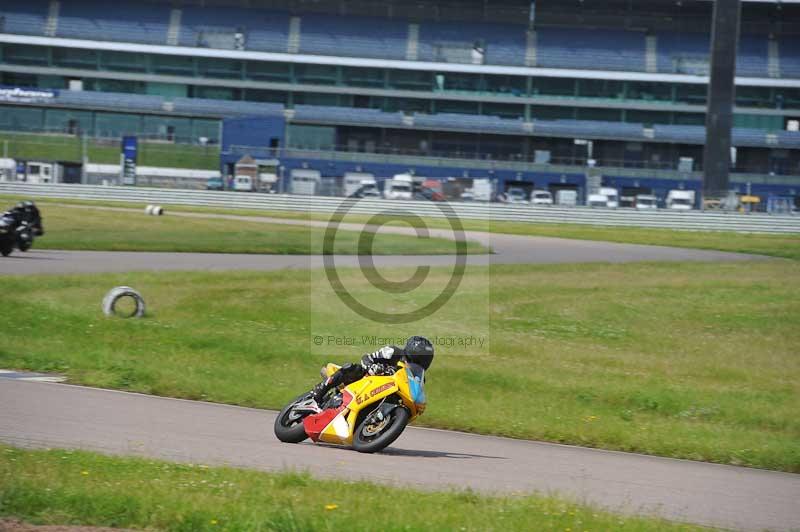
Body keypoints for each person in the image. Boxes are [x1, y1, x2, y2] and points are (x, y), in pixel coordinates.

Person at [309, 336, 434, 409]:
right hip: (366, 380)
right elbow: (367, 358)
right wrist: (371, 367)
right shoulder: (393, 352)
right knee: (353, 368)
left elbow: (414, 394)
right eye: (421, 358)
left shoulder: (419, 378)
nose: (422, 362)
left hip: (384, 393)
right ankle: (318, 392)